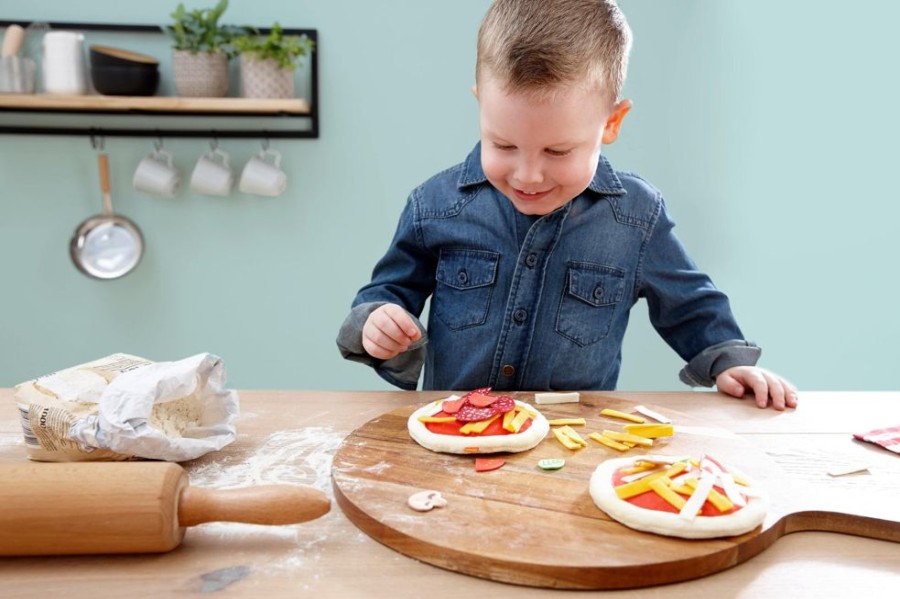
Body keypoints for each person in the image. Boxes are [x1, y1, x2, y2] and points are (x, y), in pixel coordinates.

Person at [337, 0, 797, 410]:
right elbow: (386, 293)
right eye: (503, 144)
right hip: (455, 437)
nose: (528, 175)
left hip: (574, 444)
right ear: (481, 107)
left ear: (611, 123)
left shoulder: (635, 217)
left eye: (557, 152)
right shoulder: (436, 205)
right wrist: (377, 322)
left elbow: (691, 306)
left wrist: (726, 362)